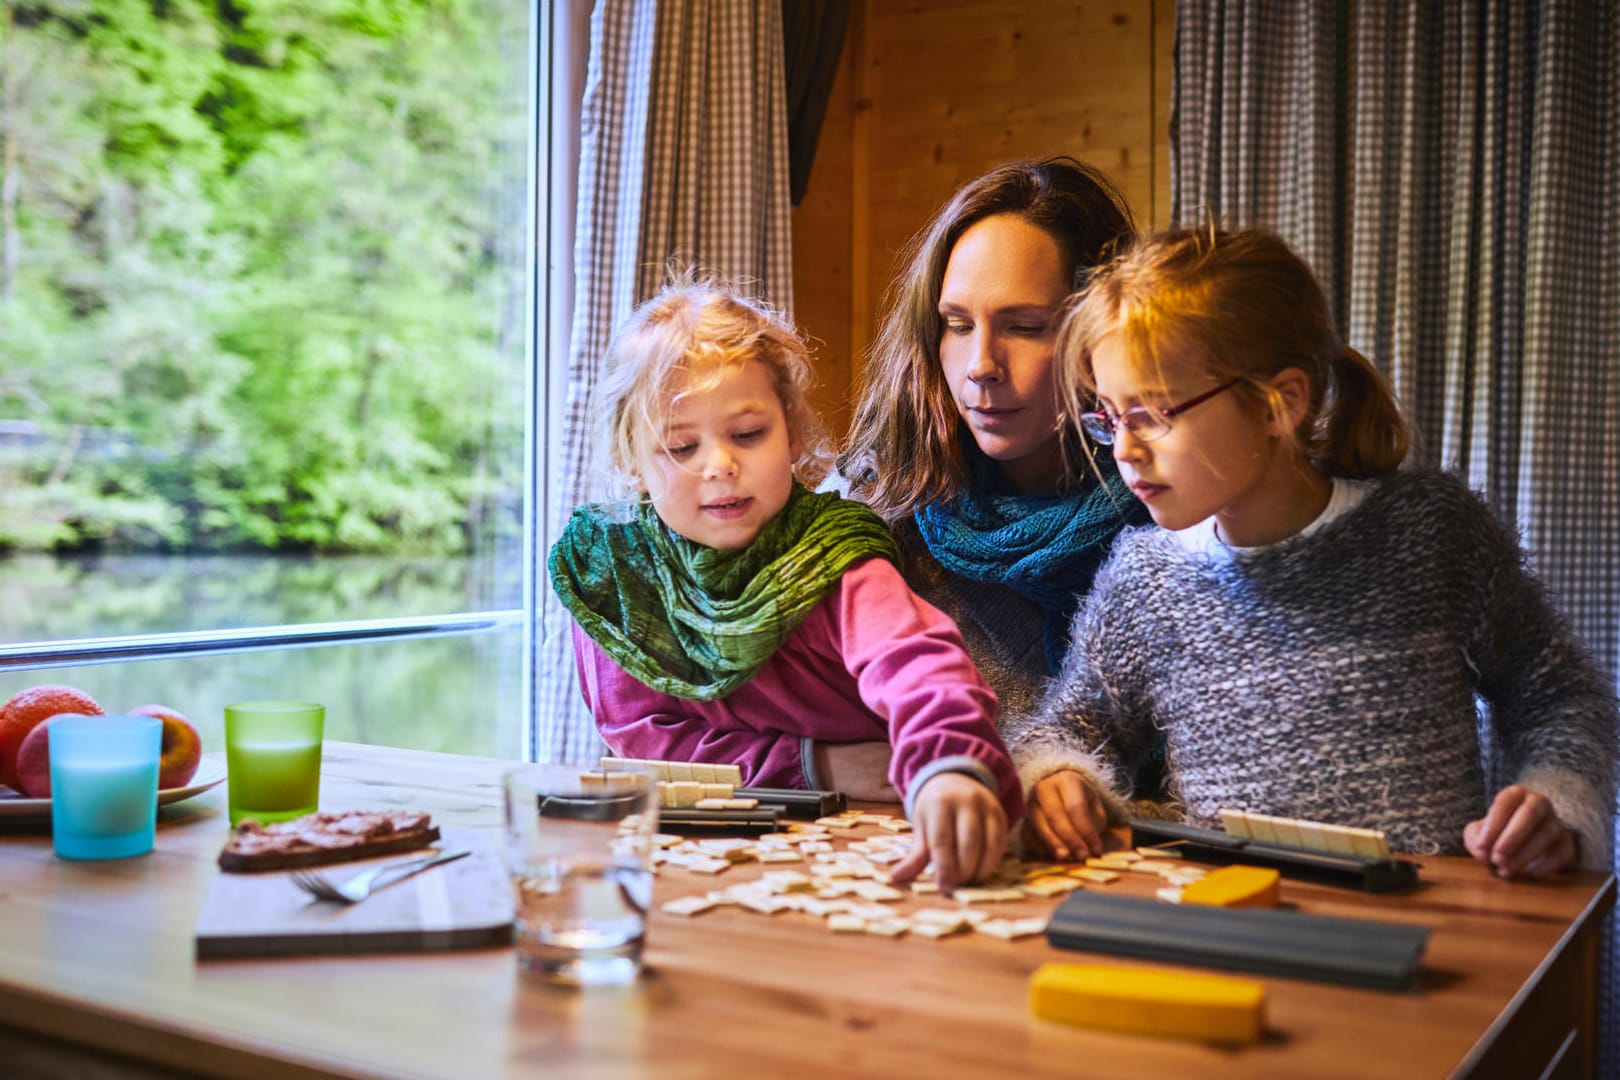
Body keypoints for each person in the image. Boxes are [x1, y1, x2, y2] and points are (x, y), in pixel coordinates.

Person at [1013, 226, 1616, 876]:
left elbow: (1558, 697)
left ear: (1281, 404)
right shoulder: (1142, 578)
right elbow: (1065, 730)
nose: (1124, 450)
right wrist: (1054, 780)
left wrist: (1556, 798)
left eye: (1153, 415)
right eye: (1109, 416)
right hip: (1236, 927)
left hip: (1428, 933)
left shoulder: (1432, 534)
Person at [549, 276, 1024, 890]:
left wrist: (950, 764)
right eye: (679, 446)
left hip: (876, 835)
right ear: (630, 462)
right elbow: (647, 745)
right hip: (695, 858)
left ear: (793, 435)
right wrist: (820, 764)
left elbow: (919, 665)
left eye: (748, 434)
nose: (720, 464)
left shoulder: (833, 552)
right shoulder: (610, 576)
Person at [831, 156, 1153, 804]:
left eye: (1024, 327)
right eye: (956, 325)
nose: (981, 365)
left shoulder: (1171, 517)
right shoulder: (875, 507)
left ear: (1102, 333)